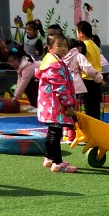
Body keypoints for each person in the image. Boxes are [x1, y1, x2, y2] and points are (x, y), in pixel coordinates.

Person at [36, 34, 78, 173]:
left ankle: (49, 157)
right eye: (59, 45)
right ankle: (58, 163)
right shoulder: (54, 65)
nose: (64, 48)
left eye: (65, 45)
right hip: (55, 106)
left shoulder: (53, 61)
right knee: (56, 133)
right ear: (50, 48)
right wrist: (69, 104)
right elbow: (60, 88)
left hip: (50, 105)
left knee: (52, 132)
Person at [75, 20, 104, 119]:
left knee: (88, 107)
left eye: (76, 32)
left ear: (80, 33)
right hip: (97, 78)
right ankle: (96, 124)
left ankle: (91, 126)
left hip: (87, 79)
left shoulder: (83, 46)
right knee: (95, 106)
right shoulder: (94, 45)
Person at [6, 45, 39, 111]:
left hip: (45, 78)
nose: (11, 64)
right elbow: (20, 80)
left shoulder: (27, 68)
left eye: (12, 61)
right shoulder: (21, 67)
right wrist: (16, 93)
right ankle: (33, 104)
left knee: (33, 87)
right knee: (27, 88)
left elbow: (23, 82)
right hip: (37, 78)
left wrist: (16, 96)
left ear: (19, 60)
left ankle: (38, 106)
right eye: (10, 62)